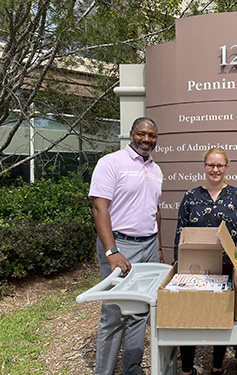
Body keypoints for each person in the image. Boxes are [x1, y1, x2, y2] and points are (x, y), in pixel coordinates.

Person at [89, 116, 164, 375]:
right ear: (131, 134)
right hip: (120, 244)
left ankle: (132, 368)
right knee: (114, 312)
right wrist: (112, 251)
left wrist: (160, 247)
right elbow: (100, 207)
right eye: (142, 134)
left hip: (149, 245)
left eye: (152, 135)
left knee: (140, 310)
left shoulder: (156, 170)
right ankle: (104, 372)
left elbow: (155, 212)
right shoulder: (111, 163)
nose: (146, 139)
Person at [174, 147, 237, 375]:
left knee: (220, 317)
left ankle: (217, 367)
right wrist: (179, 264)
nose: (215, 169)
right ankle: (187, 369)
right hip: (194, 269)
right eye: (211, 165)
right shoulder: (190, 196)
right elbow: (181, 233)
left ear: (227, 167)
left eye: (220, 165)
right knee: (189, 318)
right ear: (204, 166)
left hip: (227, 268)